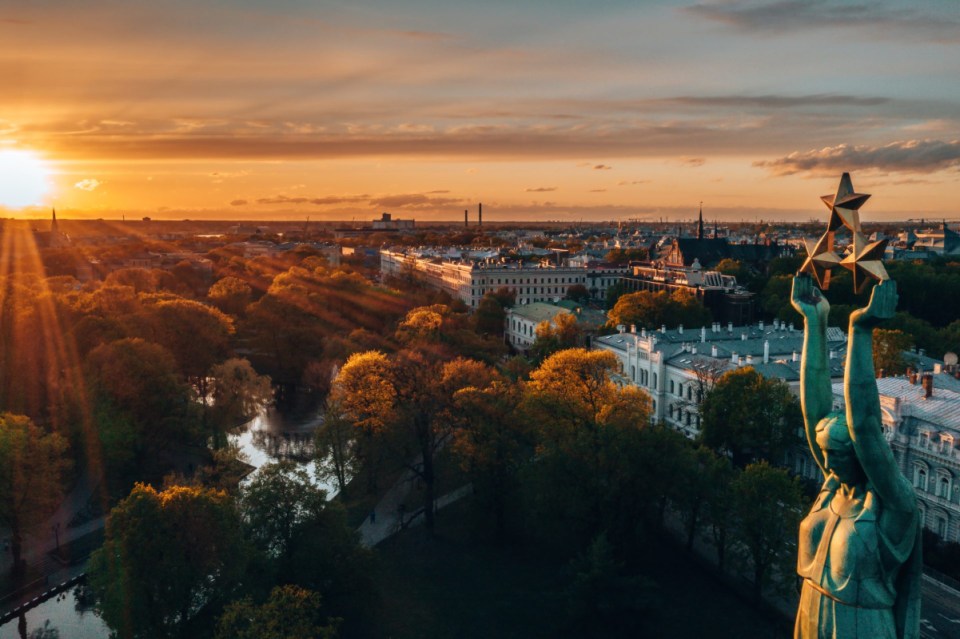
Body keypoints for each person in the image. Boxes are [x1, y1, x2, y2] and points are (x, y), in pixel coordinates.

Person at [791, 275, 921, 639]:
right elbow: (813, 406)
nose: (827, 462)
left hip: (859, 626)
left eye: (838, 455)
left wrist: (860, 330)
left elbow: (864, 423)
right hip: (811, 611)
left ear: (863, 455)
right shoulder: (834, 486)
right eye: (826, 453)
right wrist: (814, 321)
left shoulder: (895, 506)